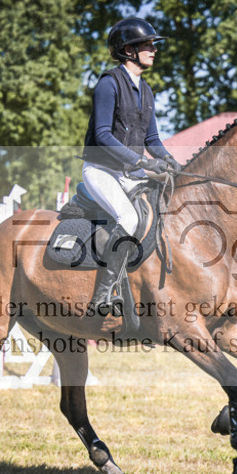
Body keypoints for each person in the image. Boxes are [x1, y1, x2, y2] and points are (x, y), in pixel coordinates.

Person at [82, 17, 179, 313]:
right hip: (101, 171)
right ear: (128, 50)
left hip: (131, 172)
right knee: (128, 218)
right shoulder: (108, 84)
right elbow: (102, 134)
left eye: (153, 45)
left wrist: (170, 160)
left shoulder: (146, 90)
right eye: (148, 45)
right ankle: (102, 293)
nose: (154, 50)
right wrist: (139, 161)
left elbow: (152, 139)